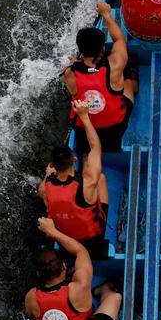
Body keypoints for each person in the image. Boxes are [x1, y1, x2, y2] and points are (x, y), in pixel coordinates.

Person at [25, 217, 122, 320]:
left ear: (38, 273)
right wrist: (53, 231)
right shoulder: (79, 287)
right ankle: (102, 290)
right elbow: (81, 251)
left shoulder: (31, 297)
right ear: (64, 266)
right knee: (115, 298)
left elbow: (30, 316)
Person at [62, 2, 135, 153]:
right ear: (102, 49)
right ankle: (133, 78)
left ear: (80, 50)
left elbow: (76, 77)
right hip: (114, 128)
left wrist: (75, 63)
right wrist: (106, 15)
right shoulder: (115, 64)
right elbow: (120, 40)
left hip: (84, 130)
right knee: (127, 83)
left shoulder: (69, 73)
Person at [40, 100, 109, 259]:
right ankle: (86, 160)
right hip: (93, 238)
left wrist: (46, 174)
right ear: (74, 160)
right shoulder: (89, 182)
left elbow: (46, 194)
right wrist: (84, 116)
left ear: (53, 166)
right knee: (101, 178)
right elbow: (96, 148)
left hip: (67, 241)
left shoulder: (44, 187)